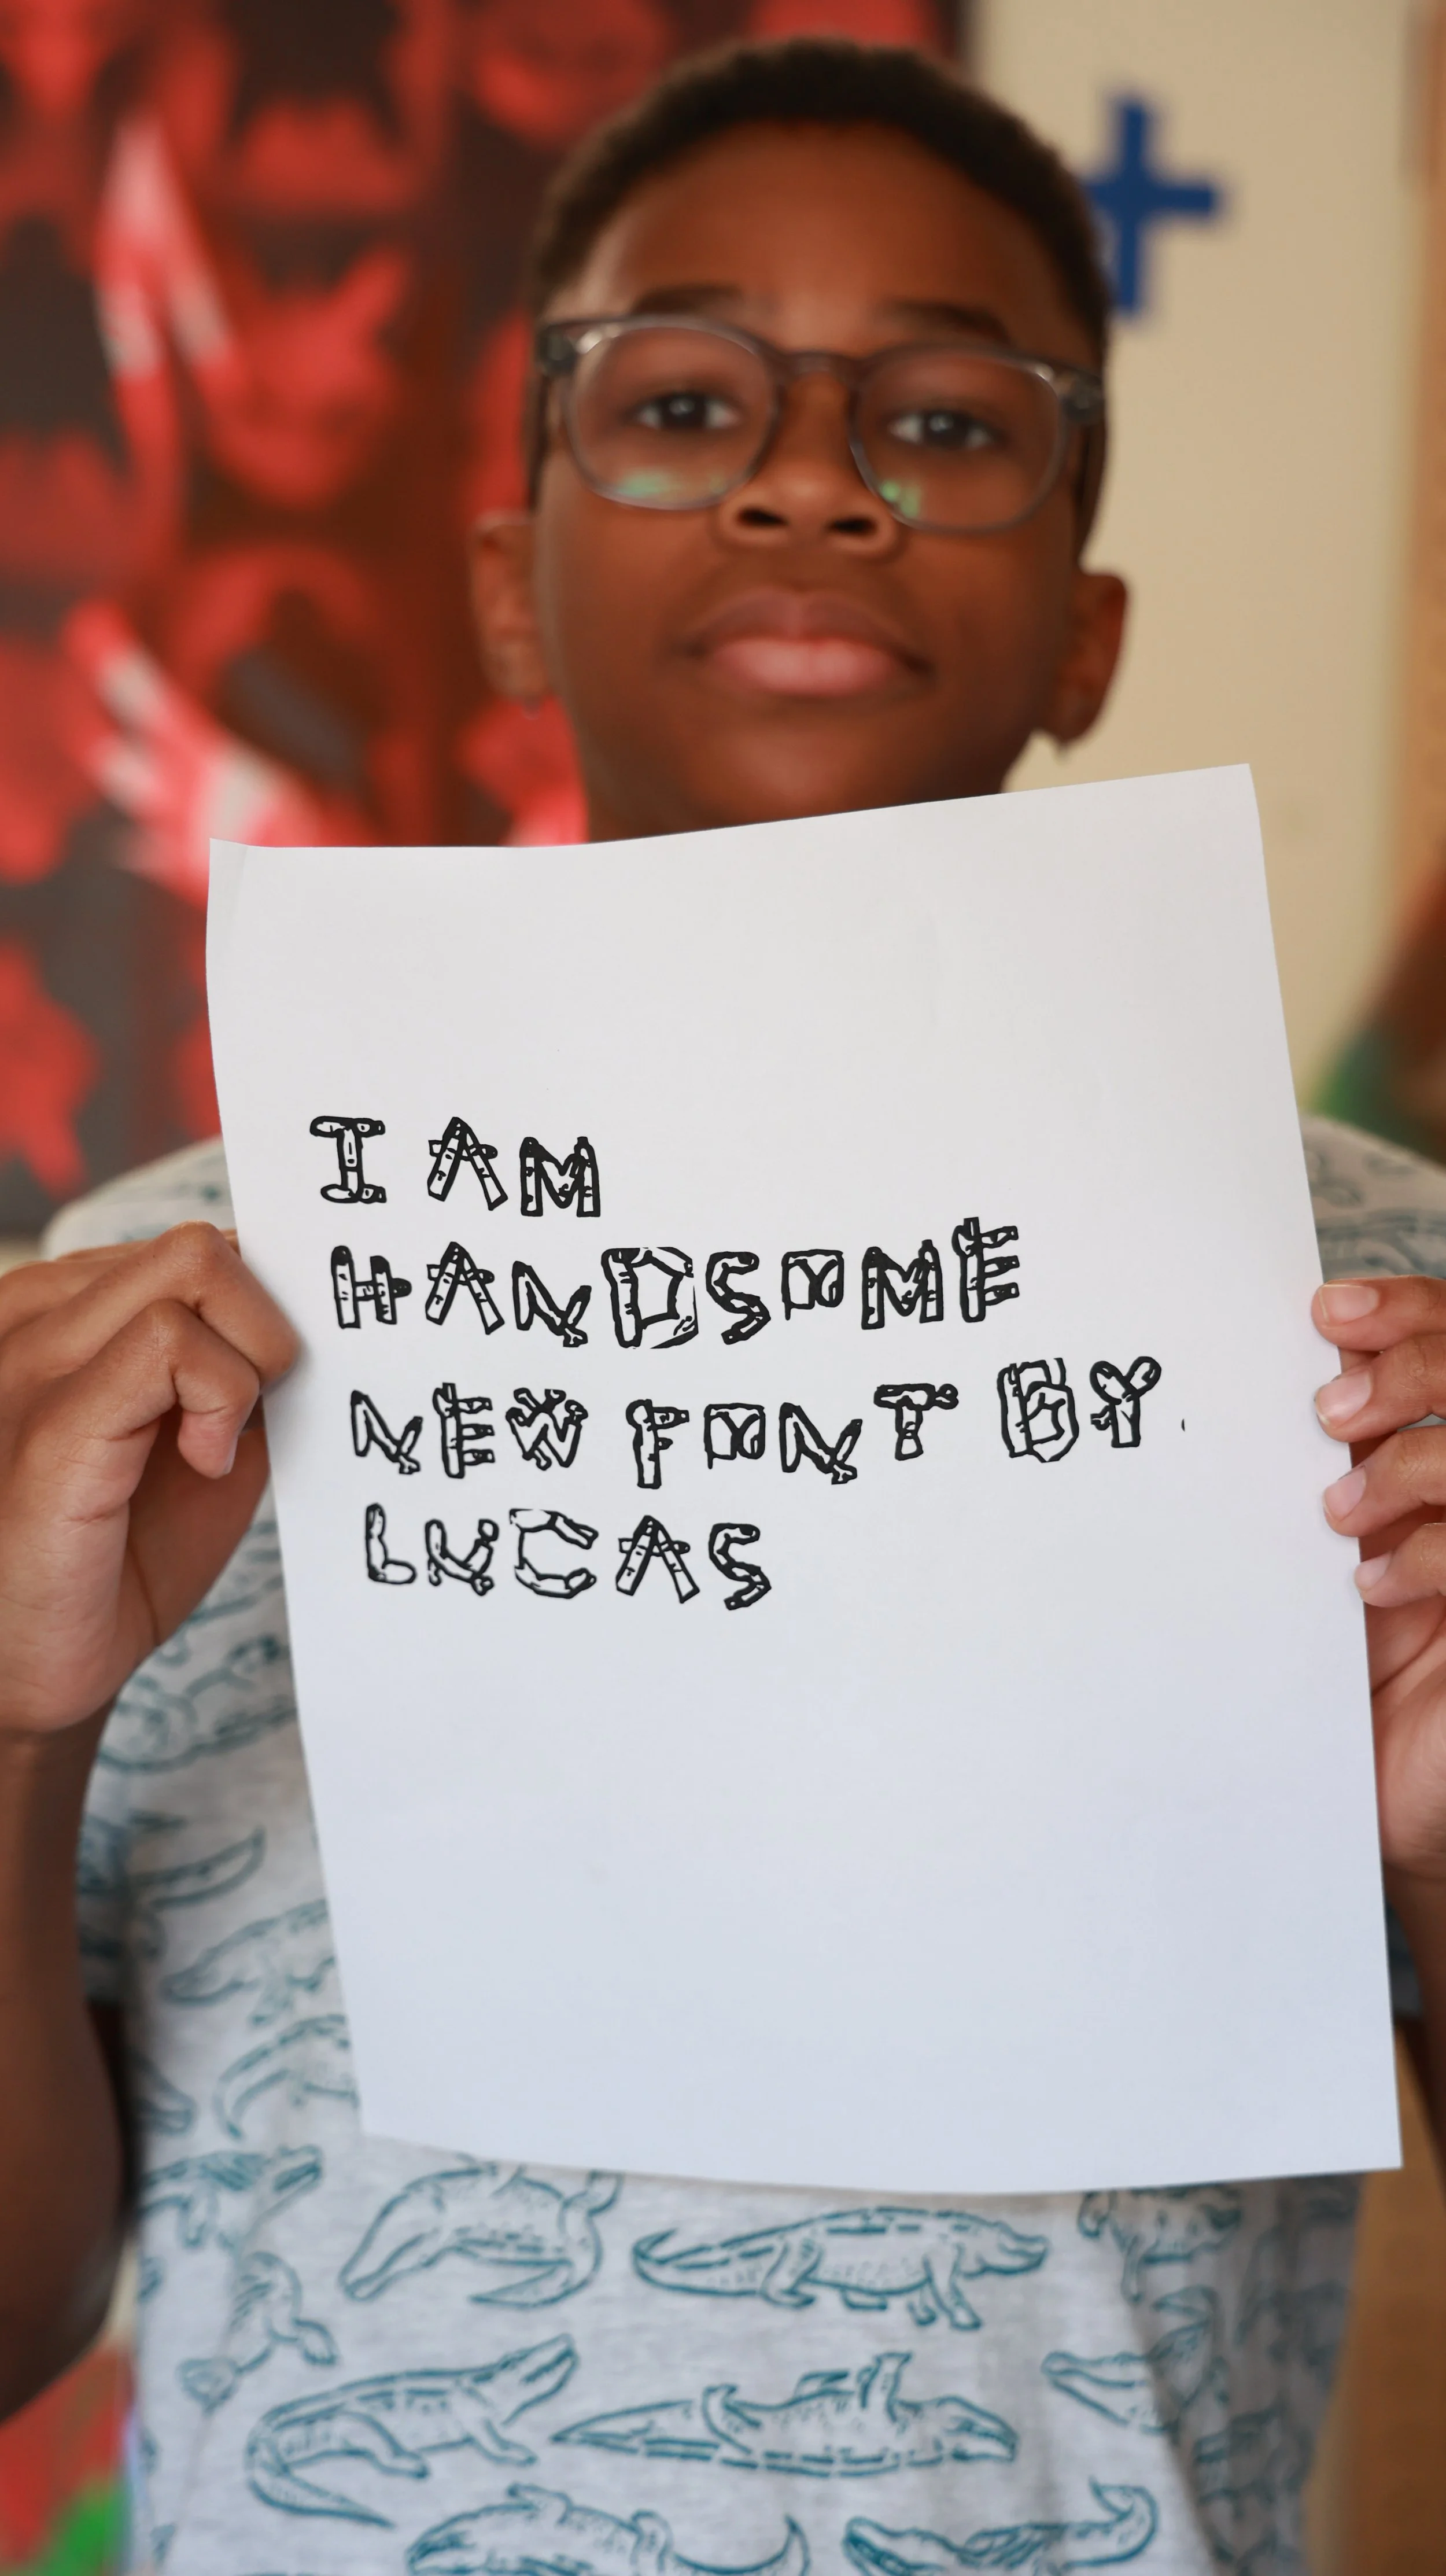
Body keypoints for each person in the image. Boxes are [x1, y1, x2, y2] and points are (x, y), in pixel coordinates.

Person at [2, 38, 1444, 2574]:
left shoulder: (1382, 1315)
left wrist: (1427, 1860)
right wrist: (10, 1730)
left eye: (948, 422)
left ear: (1086, 633)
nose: (809, 480)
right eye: (678, 403)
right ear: (506, 584)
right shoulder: (150, 1320)